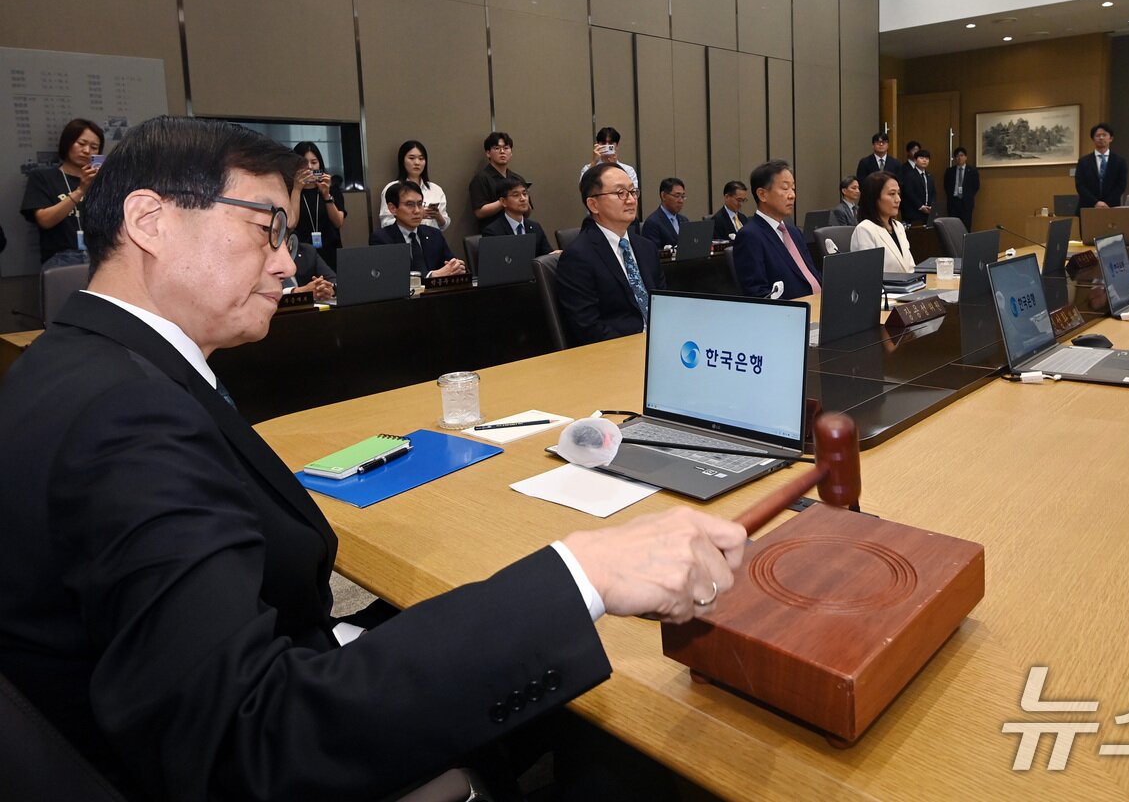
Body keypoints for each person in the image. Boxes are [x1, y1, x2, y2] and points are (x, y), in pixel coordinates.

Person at [0, 115, 746, 801]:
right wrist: (584, 573)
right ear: (149, 221)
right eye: (267, 231)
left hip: (261, 660)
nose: (288, 265)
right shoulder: (126, 418)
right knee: (633, 718)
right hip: (263, 736)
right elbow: (247, 737)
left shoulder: (74, 361)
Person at [556, 164, 665, 344]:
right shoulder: (578, 257)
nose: (630, 200)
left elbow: (663, 303)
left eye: (632, 191)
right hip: (618, 353)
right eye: (620, 193)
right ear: (593, 204)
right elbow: (588, 328)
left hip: (659, 345)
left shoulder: (647, 248)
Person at [732, 159, 822, 299]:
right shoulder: (750, 236)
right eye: (785, 188)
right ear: (762, 194)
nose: (792, 195)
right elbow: (758, 293)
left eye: (793, 188)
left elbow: (811, 275)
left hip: (820, 304)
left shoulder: (794, 232)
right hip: (793, 313)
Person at [21, 118, 104, 267]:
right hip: (60, 258)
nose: (86, 151)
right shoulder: (43, 177)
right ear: (67, 143)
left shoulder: (102, 182)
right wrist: (80, 191)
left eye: (94, 147)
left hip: (99, 255)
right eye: (81, 143)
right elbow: (45, 221)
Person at [370, 180, 467, 279]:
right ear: (393, 208)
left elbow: (450, 265)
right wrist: (432, 275)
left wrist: (457, 267)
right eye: (409, 204)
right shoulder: (382, 239)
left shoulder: (434, 234)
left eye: (420, 204)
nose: (417, 211)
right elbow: (391, 277)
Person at [287, 141, 347, 269]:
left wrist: (326, 195)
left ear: (320, 163)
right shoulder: (289, 190)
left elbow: (338, 222)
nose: (310, 167)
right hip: (300, 252)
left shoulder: (331, 188)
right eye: (304, 163)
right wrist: (297, 189)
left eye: (314, 162)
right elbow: (291, 224)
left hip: (330, 250)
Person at [850, 171, 915, 275]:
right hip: (885, 290)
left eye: (898, 193)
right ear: (874, 198)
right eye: (892, 194)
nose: (898, 199)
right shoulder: (865, 229)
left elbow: (910, 268)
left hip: (908, 288)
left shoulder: (898, 226)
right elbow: (868, 275)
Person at [379, 140, 450, 231]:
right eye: (411, 158)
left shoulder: (435, 190)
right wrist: (417, 215)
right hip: (404, 241)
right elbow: (385, 224)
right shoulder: (393, 188)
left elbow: (444, 226)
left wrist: (437, 216)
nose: (417, 163)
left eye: (421, 158)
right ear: (402, 160)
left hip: (432, 240)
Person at [480, 176, 555, 257]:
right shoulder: (493, 232)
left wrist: (553, 255)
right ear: (503, 201)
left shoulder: (535, 227)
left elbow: (546, 256)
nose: (523, 199)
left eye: (524, 194)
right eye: (516, 195)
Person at [470, 132, 524, 228]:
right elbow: (479, 212)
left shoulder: (517, 179)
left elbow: (527, 212)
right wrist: (505, 201)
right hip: (493, 233)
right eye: (497, 148)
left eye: (506, 148)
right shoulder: (481, 178)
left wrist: (524, 200)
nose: (502, 151)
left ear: (511, 153)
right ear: (488, 153)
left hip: (517, 229)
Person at [1075, 123, 1127, 211]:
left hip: (1111, 207)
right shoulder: (1083, 161)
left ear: (1111, 138)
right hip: (1088, 206)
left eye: (1104, 135)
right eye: (1098, 135)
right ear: (1093, 139)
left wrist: (1106, 203)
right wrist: (1096, 202)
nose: (1101, 138)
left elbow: (1121, 185)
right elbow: (1080, 185)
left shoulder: (1120, 161)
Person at [283, 234, 336, 302]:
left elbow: (333, 279)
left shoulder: (307, 251)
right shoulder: (266, 257)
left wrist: (327, 290)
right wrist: (298, 291)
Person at [641, 177, 689, 248]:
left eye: (682, 196)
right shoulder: (652, 223)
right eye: (677, 196)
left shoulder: (684, 220)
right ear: (663, 196)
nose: (681, 201)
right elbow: (653, 253)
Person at [944, 147, 980, 229]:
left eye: (961, 155)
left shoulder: (972, 171)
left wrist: (968, 195)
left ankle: (965, 242)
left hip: (966, 203)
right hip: (953, 203)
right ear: (955, 158)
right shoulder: (949, 171)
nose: (959, 158)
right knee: (953, 227)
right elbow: (946, 186)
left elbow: (976, 186)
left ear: (966, 157)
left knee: (966, 226)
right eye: (957, 156)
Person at [899, 150, 937, 224]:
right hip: (913, 211)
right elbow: (909, 193)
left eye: (927, 158)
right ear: (915, 160)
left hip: (928, 212)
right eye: (922, 158)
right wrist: (921, 206)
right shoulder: (909, 175)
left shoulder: (929, 176)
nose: (924, 160)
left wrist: (932, 206)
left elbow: (933, 193)